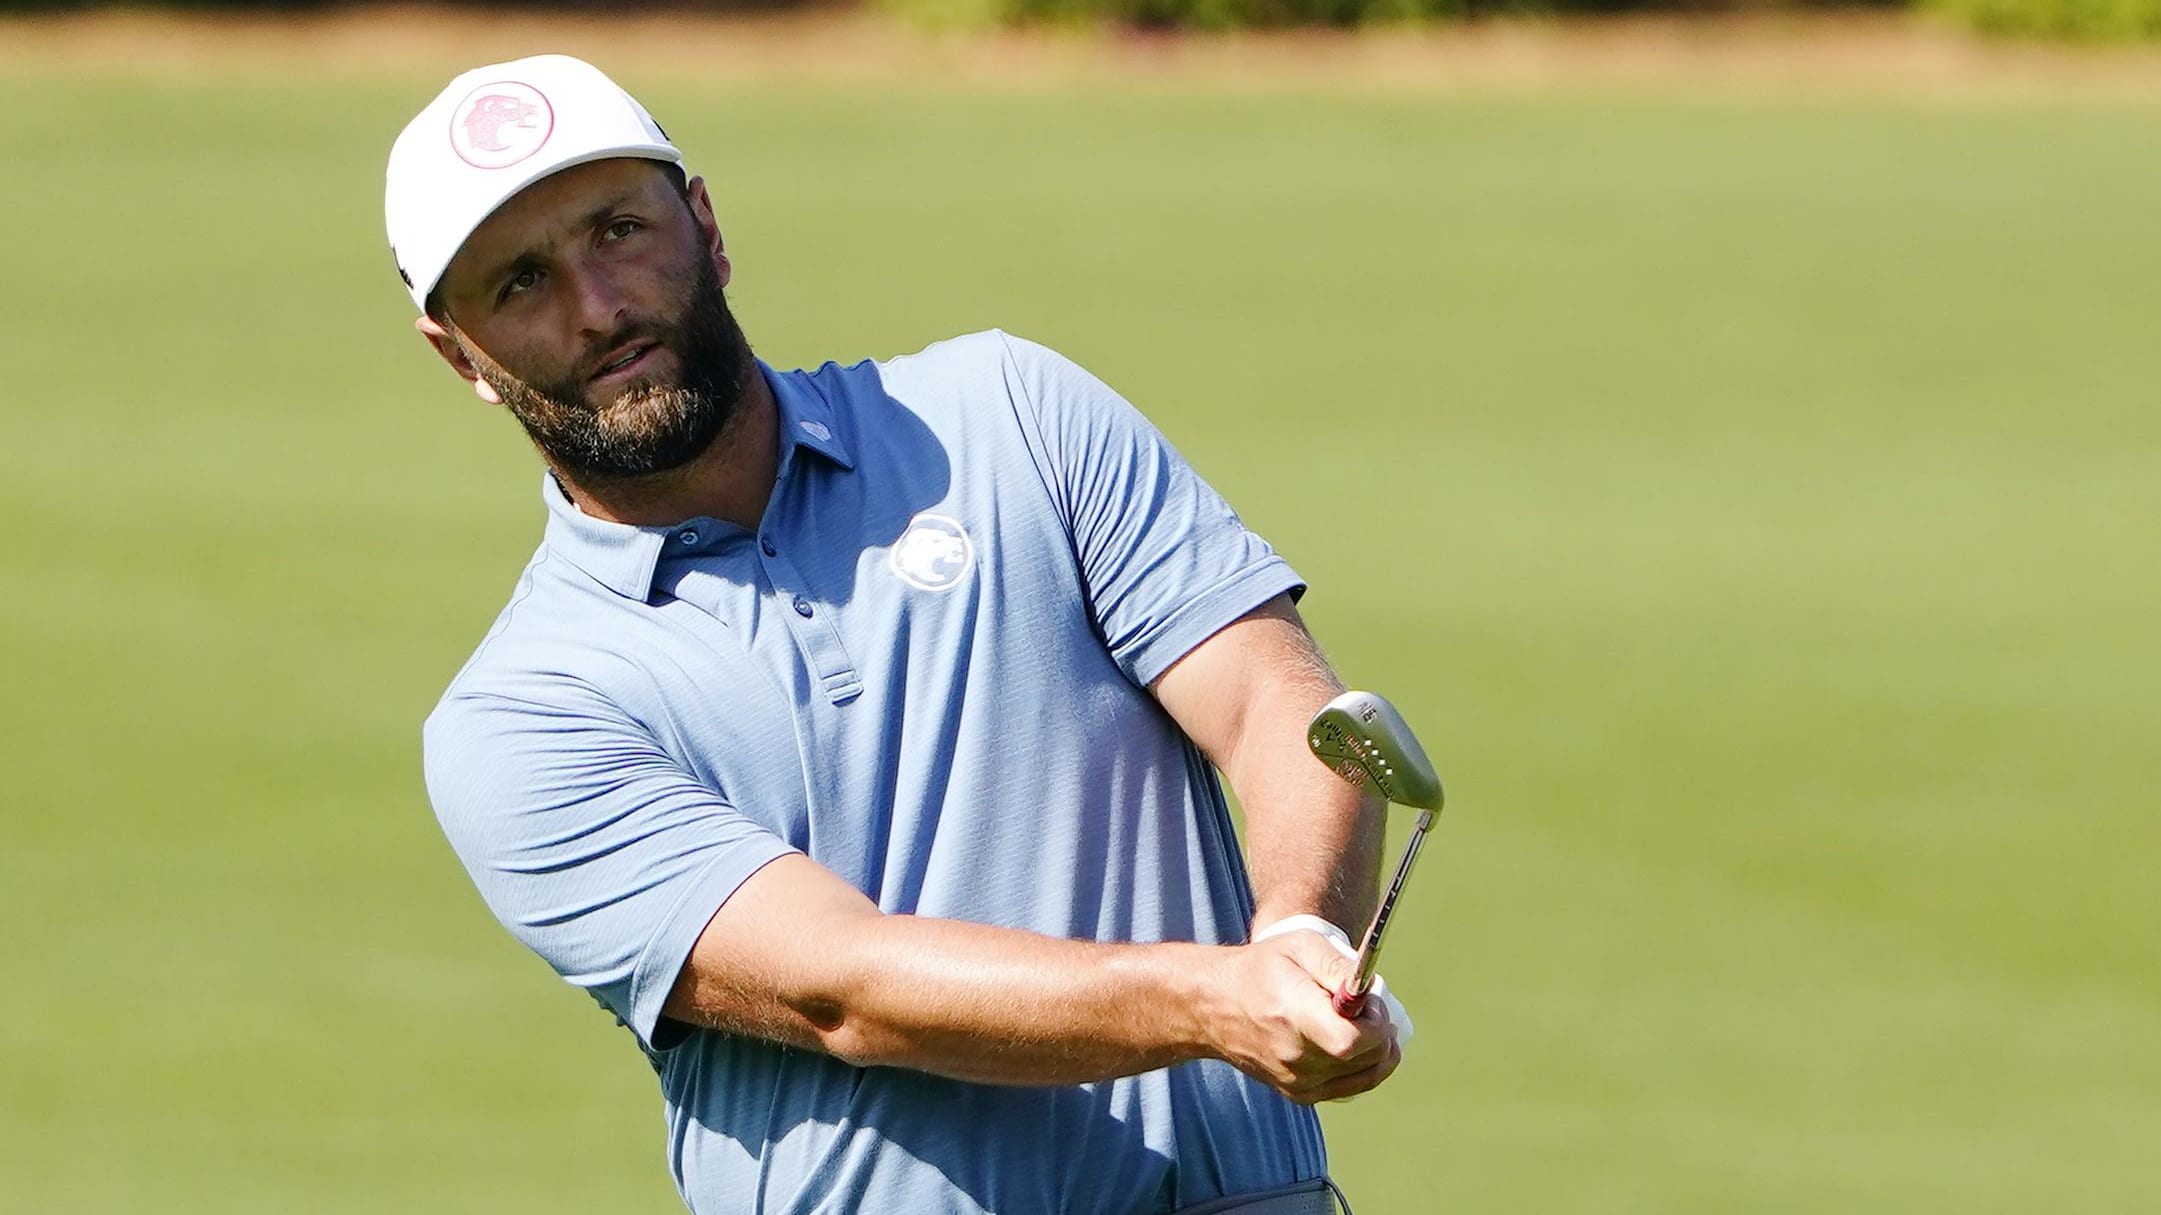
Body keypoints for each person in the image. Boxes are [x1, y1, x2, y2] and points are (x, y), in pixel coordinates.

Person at [391, 54, 1408, 1215]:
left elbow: (1276, 703)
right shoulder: (519, 717)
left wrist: (1298, 934)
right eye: (520, 282)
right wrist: (1215, 1000)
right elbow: (848, 988)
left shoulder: (1010, 415)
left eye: (620, 229)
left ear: (707, 226)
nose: (598, 306)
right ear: (458, 353)